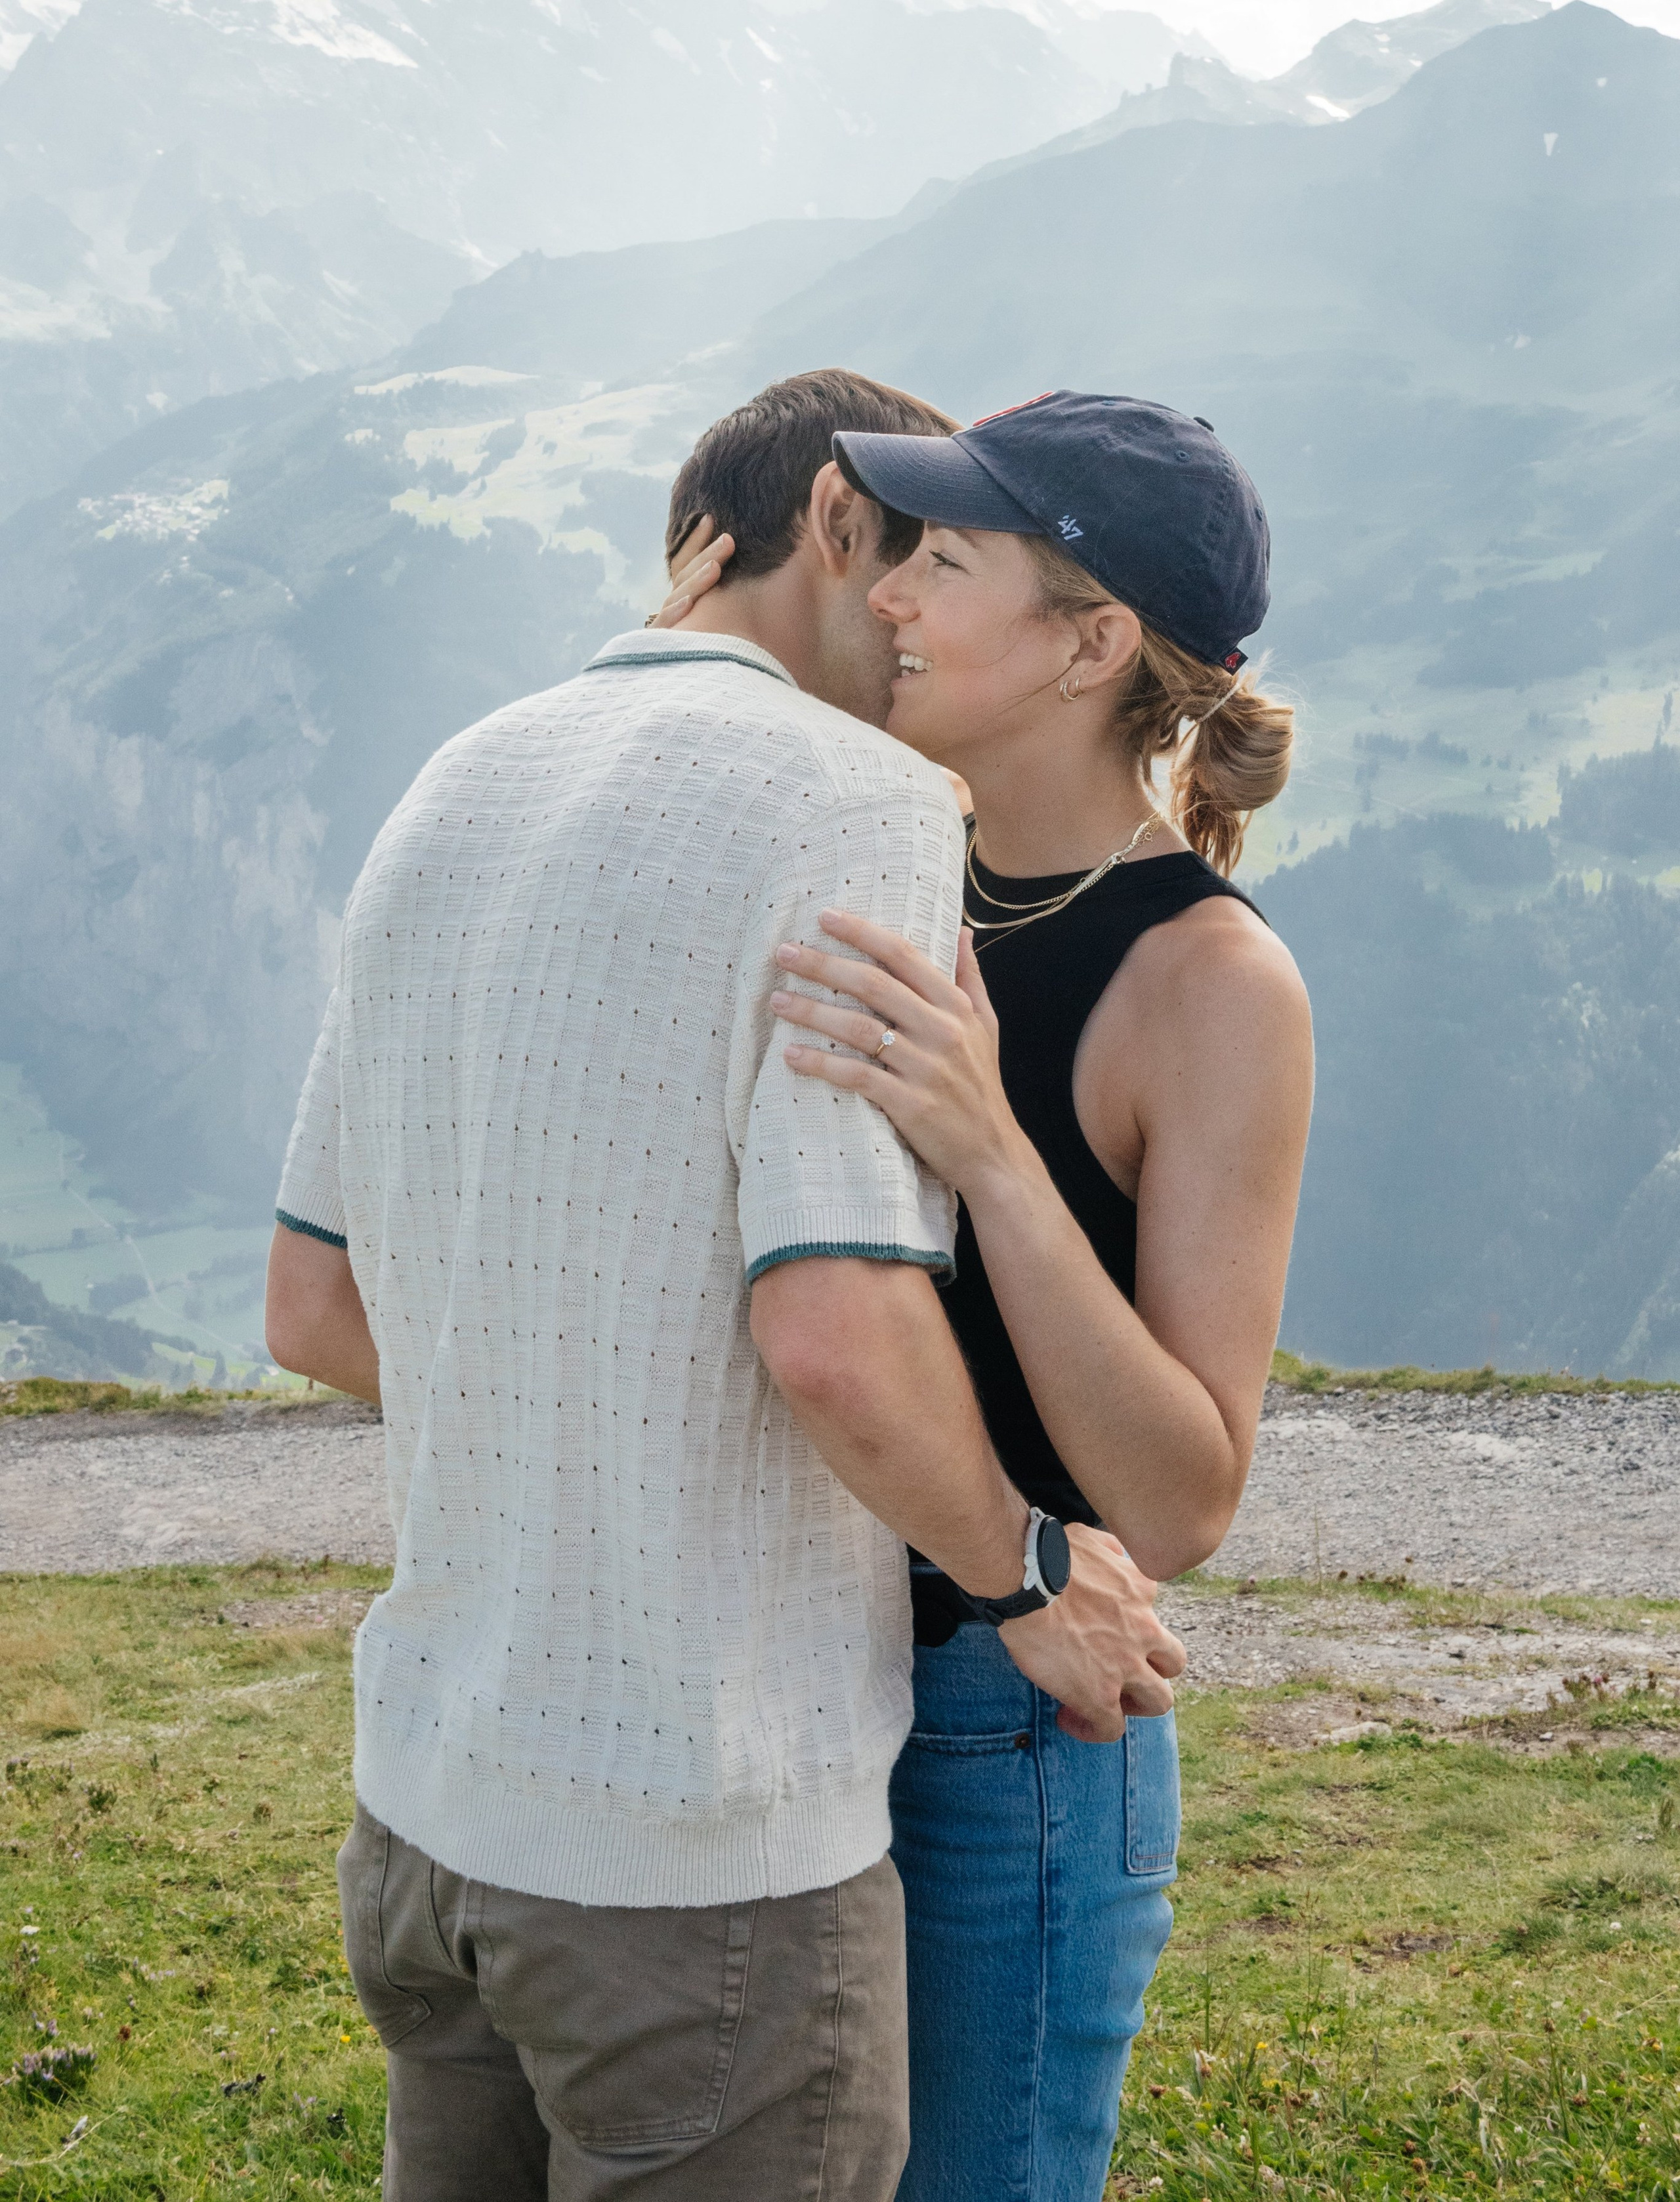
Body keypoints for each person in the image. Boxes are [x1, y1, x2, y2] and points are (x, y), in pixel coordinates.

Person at [264, 369, 1185, 2202]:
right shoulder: (855, 800)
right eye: (909, 558)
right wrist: (1031, 1566)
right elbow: (835, 1332)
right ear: (836, 527)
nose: (915, 625)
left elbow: (314, 1308)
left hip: (431, 1820)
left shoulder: (452, 780)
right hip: (695, 1862)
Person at [665, 389, 1314, 2202]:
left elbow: (1183, 1494)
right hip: (787, 1676)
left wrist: (996, 1149)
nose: (887, 594)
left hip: (1010, 1731)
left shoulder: (1211, 983)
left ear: (1090, 642)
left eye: (945, 562)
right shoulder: (884, 866)